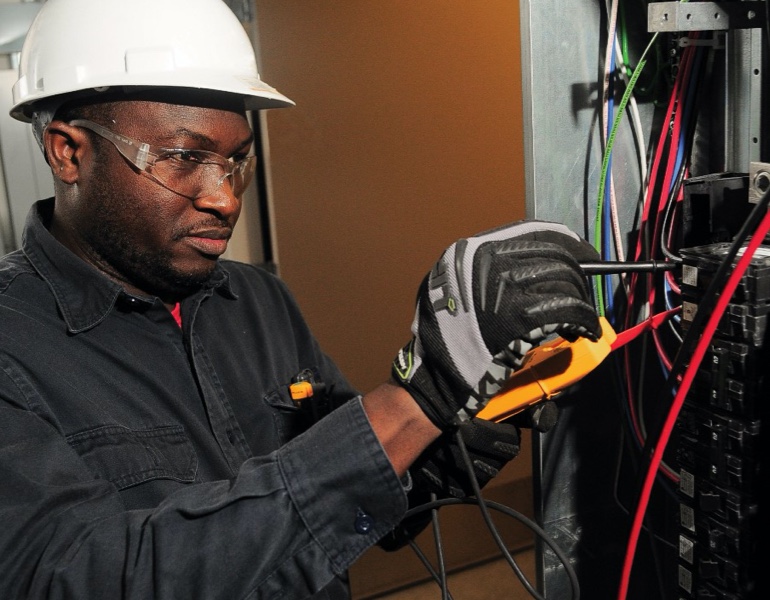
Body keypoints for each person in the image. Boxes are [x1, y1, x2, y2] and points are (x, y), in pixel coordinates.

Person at [0, 0, 602, 598]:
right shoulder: (13, 347)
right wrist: (410, 407)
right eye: (184, 159)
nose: (225, 198)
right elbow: (77, 579)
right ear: (69, 152)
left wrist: (436, 451)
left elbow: (337, 511)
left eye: (237, 162)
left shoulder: (258, 301)